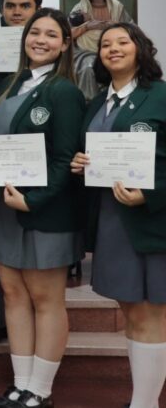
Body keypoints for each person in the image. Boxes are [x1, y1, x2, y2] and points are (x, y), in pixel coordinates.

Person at [0, 9, 84, 408]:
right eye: (34, 32)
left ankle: (41, 390)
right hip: (2, 207)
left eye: (51, 35)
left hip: (43, 210)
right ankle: (21, 384)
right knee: (13, 295)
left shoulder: (63, 90)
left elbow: (65, 158)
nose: (40, 39)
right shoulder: (10, 83)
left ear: (65, 44)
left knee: (45, 299)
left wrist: (33, 200)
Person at [70, 23, 166, 408]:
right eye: (105, 44)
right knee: (130, 310)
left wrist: (150, 194)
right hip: (111, 221)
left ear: (140, 49)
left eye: (122, 42)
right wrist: (82, 163)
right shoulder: (97, 103)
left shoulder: (160, 96)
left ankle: (143, 403)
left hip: (152, 221)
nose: (112, 48)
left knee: (151, 313)